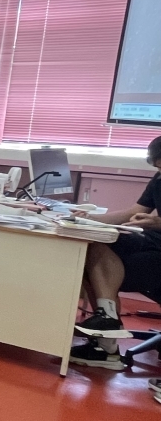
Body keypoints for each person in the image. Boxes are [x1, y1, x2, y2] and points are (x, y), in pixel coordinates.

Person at [73, 135, 161, 366]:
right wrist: (90, 219)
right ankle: (107, 325)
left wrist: (157, 223)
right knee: (94, 242)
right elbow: (133, 212)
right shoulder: (159, 177)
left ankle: (106, 345)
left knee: (103, 270)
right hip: (153, 239)